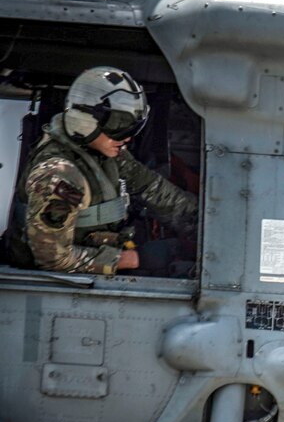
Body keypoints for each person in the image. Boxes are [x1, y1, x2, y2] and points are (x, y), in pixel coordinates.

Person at [2, 66, 197, 275]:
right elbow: (53, 259)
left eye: (131, 126)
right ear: (85, 121)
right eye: (118, 125)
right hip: (60, 282)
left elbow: (153, 189)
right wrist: (133, 260)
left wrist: (202, 223)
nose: (127, 137)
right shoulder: (59, 176)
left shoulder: (104, 151)